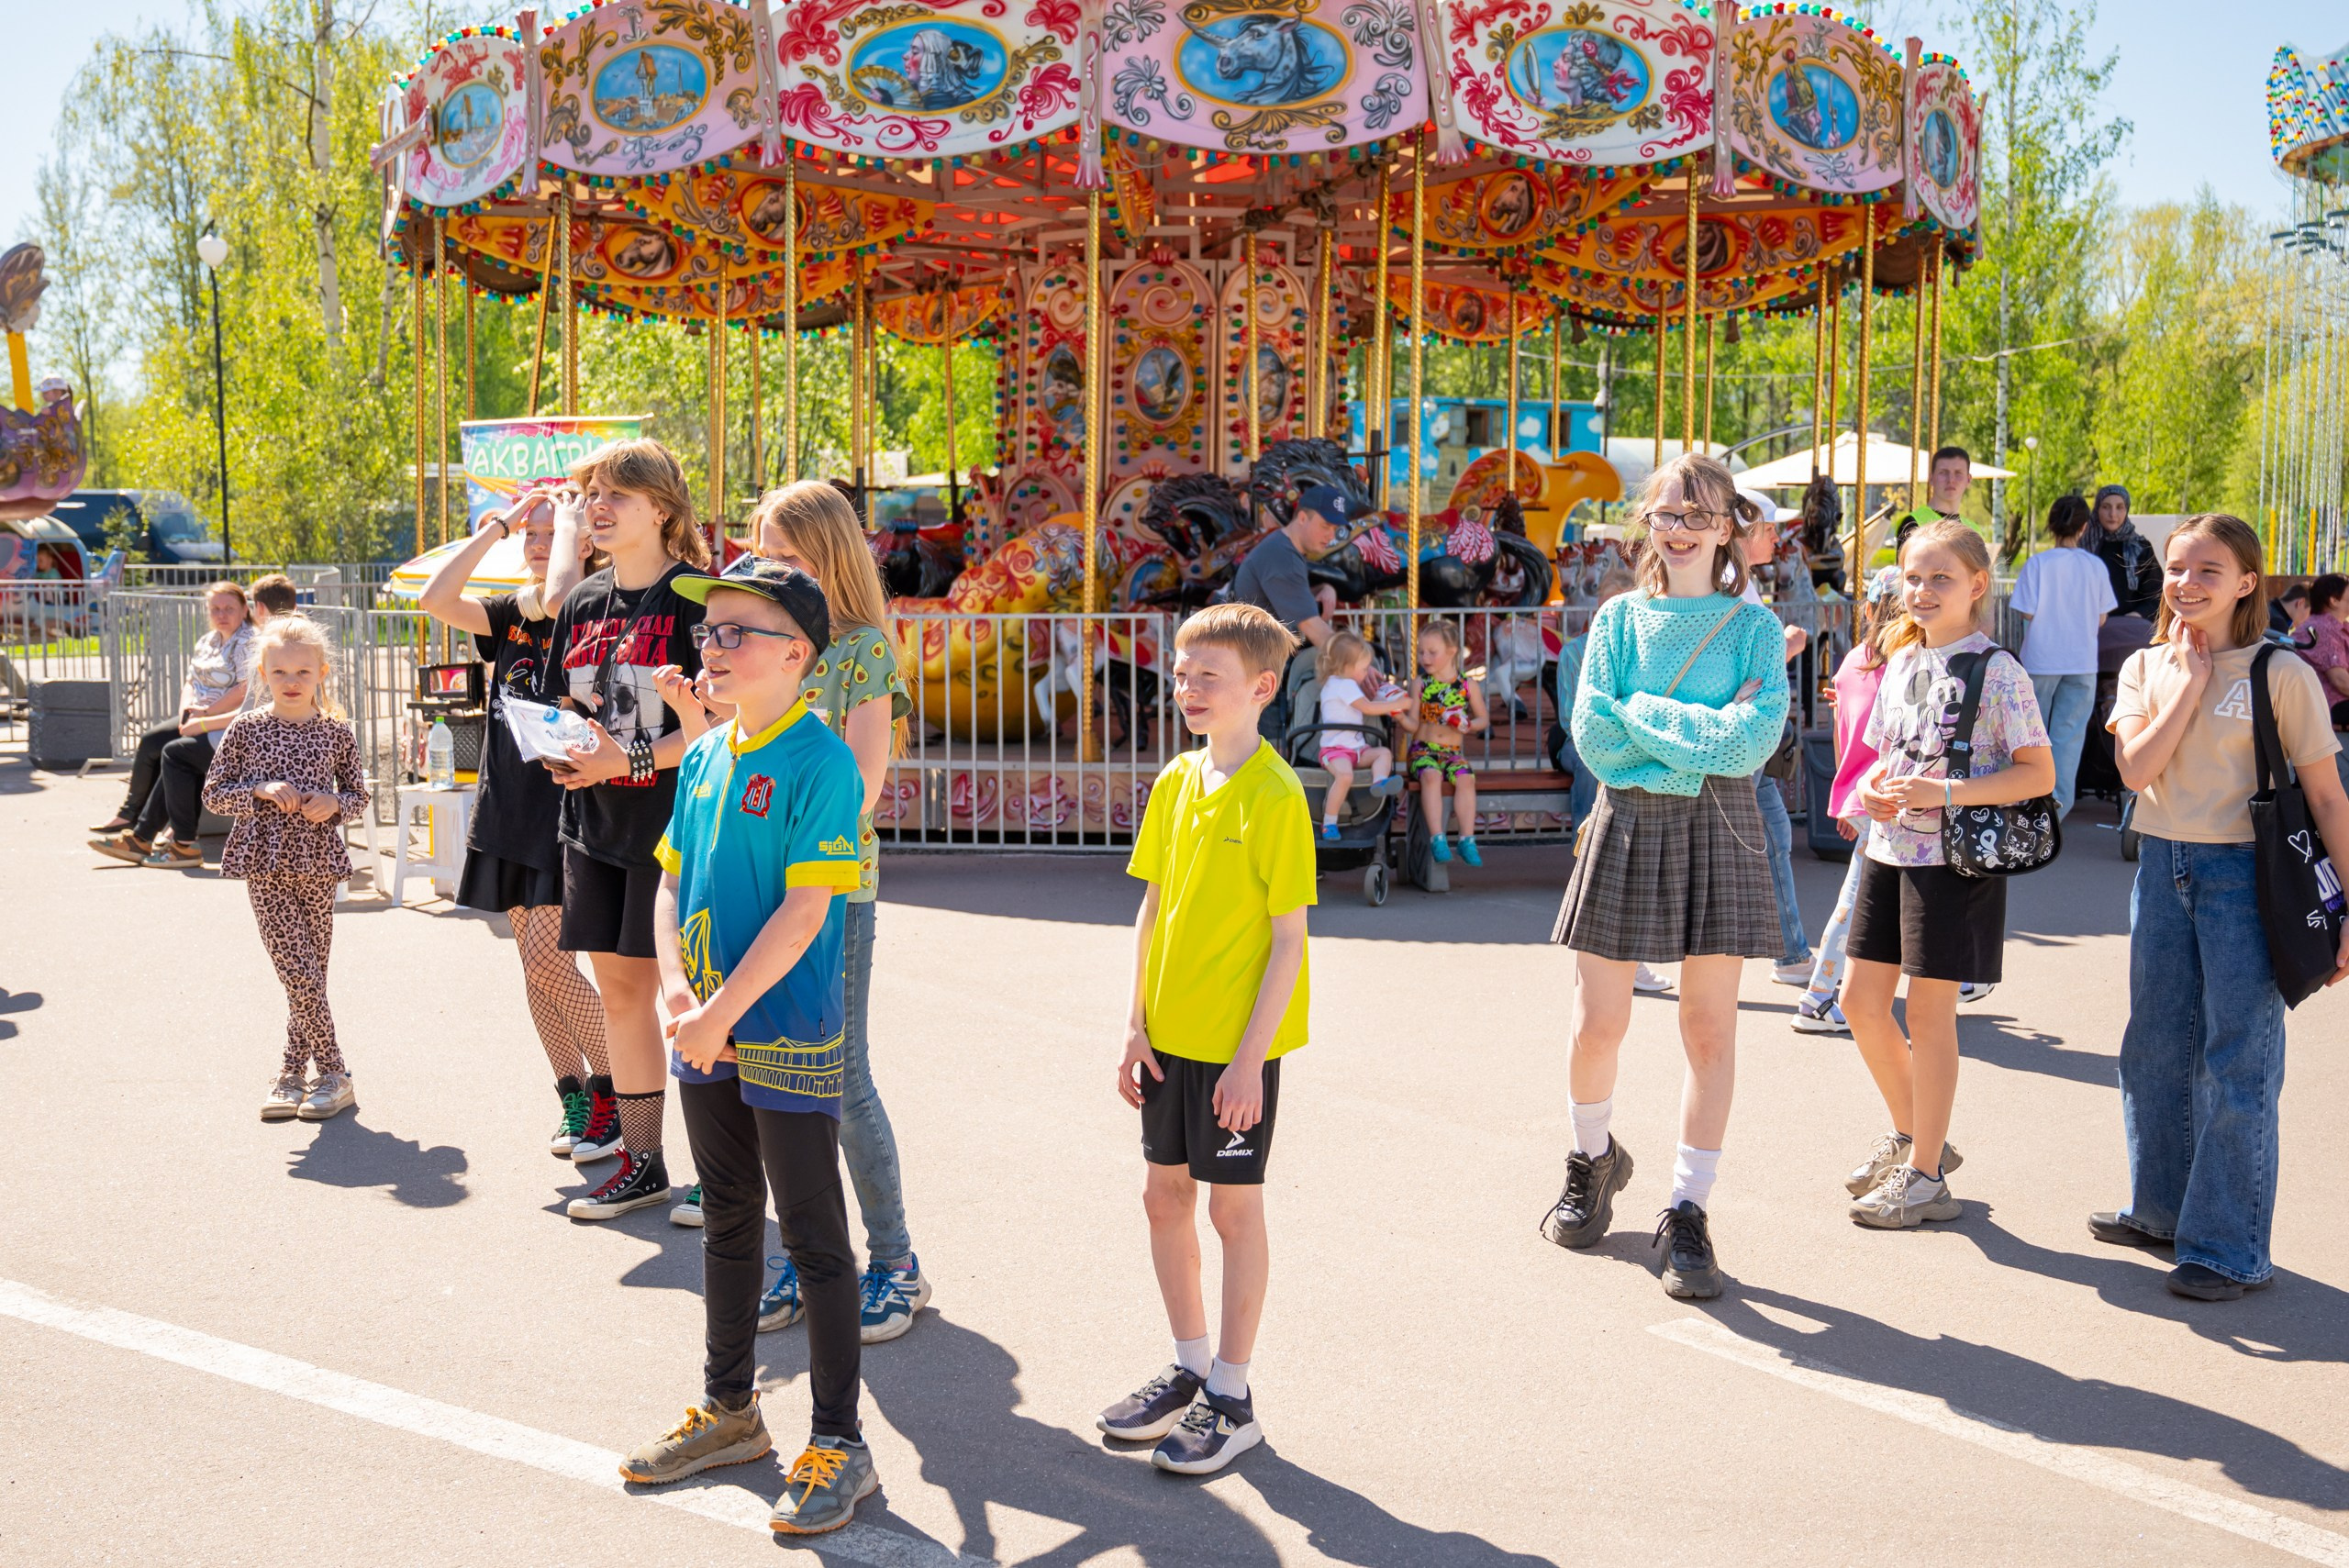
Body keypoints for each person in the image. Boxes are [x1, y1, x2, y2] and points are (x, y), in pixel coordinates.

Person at [618, 559, 879, 1535]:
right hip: (704, 1025)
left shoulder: (821, 762)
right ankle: (730, 1408)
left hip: (783, 1028)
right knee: (728, 1215)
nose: (711, 648)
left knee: (813, 1236)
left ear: (797, 654)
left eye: (736, 632)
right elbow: (668, 882)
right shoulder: (703, 756)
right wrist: (681, 992)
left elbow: (808, 909)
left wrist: (723, 1008)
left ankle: (839, 1441)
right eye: (708, 631)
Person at [1541, 451, 1788, 1300]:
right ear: (1648, 523)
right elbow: (1595, 738)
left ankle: (1688, 1207)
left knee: (1709, 1031)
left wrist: (1643, 714)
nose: (1680, 529)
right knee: (1596, 1026)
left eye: (1699, 515)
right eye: (1667, 514)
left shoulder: (1755, 628)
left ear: (1727, 529)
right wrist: (1698, 728)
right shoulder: (1617, 620)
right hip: (1627, 823)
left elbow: (1750, 743)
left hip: (1720, 828)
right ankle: (1592, 1156)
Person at [2098, 515, 2349, 1300]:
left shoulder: (2282, 671)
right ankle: (2161, 1210)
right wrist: (2189, 683)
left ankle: (2228, 1246)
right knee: (2154, 1045)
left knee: (2238, 1055)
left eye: (2210, 569)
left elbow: (2328, 797)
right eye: (2178, 567)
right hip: (2161, 863)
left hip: (2248, 873)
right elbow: (2135, 770)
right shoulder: (2145, 666)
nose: (2187, 582)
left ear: (2248, 581)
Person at [1100, 603, 1314, 1476]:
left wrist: (1249, 1061)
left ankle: (1232, 1392)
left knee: (1232, 1210)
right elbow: (1151, 907)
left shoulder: (1277, 794)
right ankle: (1190, 1367)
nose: (1187, 688)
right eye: (1182, 674)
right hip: (1167, 1039)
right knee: (1164, 1198)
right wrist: (1134, 1022)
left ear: (1261, 687)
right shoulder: (1176, 780)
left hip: (1236, 1051)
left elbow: (1290, 939)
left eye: (1208, 676)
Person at [740, 480, 930, 1344]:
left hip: (830, 893)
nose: (769, 568)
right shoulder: (759, 648)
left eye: (787, 555)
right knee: (775, 1084)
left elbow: (860, 785)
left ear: (829, 557)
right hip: (755, 888)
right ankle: (809, 1255)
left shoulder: (860, 652)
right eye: (762, 553)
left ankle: (895, 1261)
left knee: (841, 1081)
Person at [1841, 521, 2054, 1229]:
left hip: (1955, 862)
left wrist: (1947, 792)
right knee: (1859, 1002)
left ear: (1976, 585)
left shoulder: (1999, 670)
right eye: (1913, 577)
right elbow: (1883, 757)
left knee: (1930, 1015)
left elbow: (2039, 772)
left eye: (1941, 578)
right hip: (1888, 849)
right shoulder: (1903, 658)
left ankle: (1926, 1175)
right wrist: (1871, 789)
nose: (1923, 590)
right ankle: (1916, 1136)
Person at [417, 489, 619, 1165]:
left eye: (548, 531)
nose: (537, 543)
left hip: (565, 809)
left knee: (549, 962)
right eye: (529, 534)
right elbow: (436, 599)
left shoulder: (591, 606)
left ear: (582, 537)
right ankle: (573, 1095)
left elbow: (562, 602)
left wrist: (561, 534)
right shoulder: (509, 613)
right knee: (534, 972)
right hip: (505, 807)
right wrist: (497, 527)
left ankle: (617, 1092)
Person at [540, 439, 714, 1221]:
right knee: (619, 995)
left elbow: (718, 721)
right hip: (594, 825)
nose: (597, 507)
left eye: (617, 494)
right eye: (592, 494)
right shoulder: (582, 600)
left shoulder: (698, 599)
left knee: (693, 1000)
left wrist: (627, 759)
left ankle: (722, 1173)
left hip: (678, 828)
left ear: (662, 509)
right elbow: (568, 705)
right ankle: (643, 1163)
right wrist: (562, 748)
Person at [200, 615, 371, 1122]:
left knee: (309, 975)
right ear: (262, 673)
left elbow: (358, 795)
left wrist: (334, 803)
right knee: (297, 969)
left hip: (318, 863)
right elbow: (213, 794)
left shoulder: (336, 732)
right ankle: (335, 1073)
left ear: (321, 673)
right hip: (263, 863)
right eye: (280, 672)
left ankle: (292, 1074)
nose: (291, 681)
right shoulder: (246, 728)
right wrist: (258, 789)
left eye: (302, 672)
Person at [1792, 571, 1903, 1035]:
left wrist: (1846, 797)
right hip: (1889, 797)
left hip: (1860, 791)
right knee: (1858, 898)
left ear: (1869, 610)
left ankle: (1948, 978)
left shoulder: (1853, 661)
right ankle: (1819, 995)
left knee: (1884, 896)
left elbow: (1843, 735)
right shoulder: (1903, 666)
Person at [91, 581, 254, 861]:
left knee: (175, 755)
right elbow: (191, 681)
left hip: (223, 720)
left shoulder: (248, 642)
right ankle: (133, 820)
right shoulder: (208, 641)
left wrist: (205, 714)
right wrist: (185, 712)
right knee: (153, 741)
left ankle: (165, 838)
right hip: (200, 714)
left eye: (229, 608)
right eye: (215, 608)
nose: (221, 614)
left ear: (244, 609)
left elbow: (244, 691)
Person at [1739, 491, 1815, 986]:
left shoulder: (1740, 581)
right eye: (1768, 528)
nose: (1775, 537)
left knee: (1775, 837)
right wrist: (1786, 646)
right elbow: (1744, 671)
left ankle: (1792, 954)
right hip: (1738, 739)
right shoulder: (1729, 584)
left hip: (1752, 741)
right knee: (1702, 851)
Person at [2010, 495, 2115, 818]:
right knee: (2068, 739)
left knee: (2031, 736)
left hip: (2041, 659)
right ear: (2084, 527)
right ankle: (2057, 810)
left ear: (2051, 525)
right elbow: (2102, 617)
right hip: (2082, 661)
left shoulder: (2038, 563)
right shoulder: (2095, 566)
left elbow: (2026, 612)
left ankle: (2027, 803)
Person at [1408, 618, 1490, 866]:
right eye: (1422, 652)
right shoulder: (1421, 683)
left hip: (1452, 752)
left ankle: (1467, 839)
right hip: (1423, 750)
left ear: (1452, 651)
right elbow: (1412, 724)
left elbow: (1483, 719)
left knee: (1466, 779)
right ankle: (1438, 838)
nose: (1425, 658)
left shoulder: (1467, 685)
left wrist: (1468, 724)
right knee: (1431, 776)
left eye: (1432, 652)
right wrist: (1400, 717)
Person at [1311, 629, 1408, 839]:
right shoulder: (1343, 685)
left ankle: (1379, 782)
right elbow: (1368, 708)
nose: (1366, 673)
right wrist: (1399, 703)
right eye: (1364, 669)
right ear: (1346, 667)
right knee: (1345, 776)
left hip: (1356, 750)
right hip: (1335, 752)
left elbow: (1367, 704)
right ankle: (1329, 822)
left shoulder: (1340, 683)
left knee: (1383, 753)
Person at [2089, 484, 2161, 621]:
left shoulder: (2140, 548)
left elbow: (2156, 595)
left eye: (2119, 507)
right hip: (2090, 626)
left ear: (2126, 509)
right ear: (2097, 509)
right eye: (2106, 507)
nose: (2113, 514)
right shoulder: (2085, 546)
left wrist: (2135, 617)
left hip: (2130, 626)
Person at [2289, 573, 2349, 727]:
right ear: (2334, 600)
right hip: (2328, 705)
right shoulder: (2322, 628)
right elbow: (2340, 680)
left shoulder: (2338, 627)